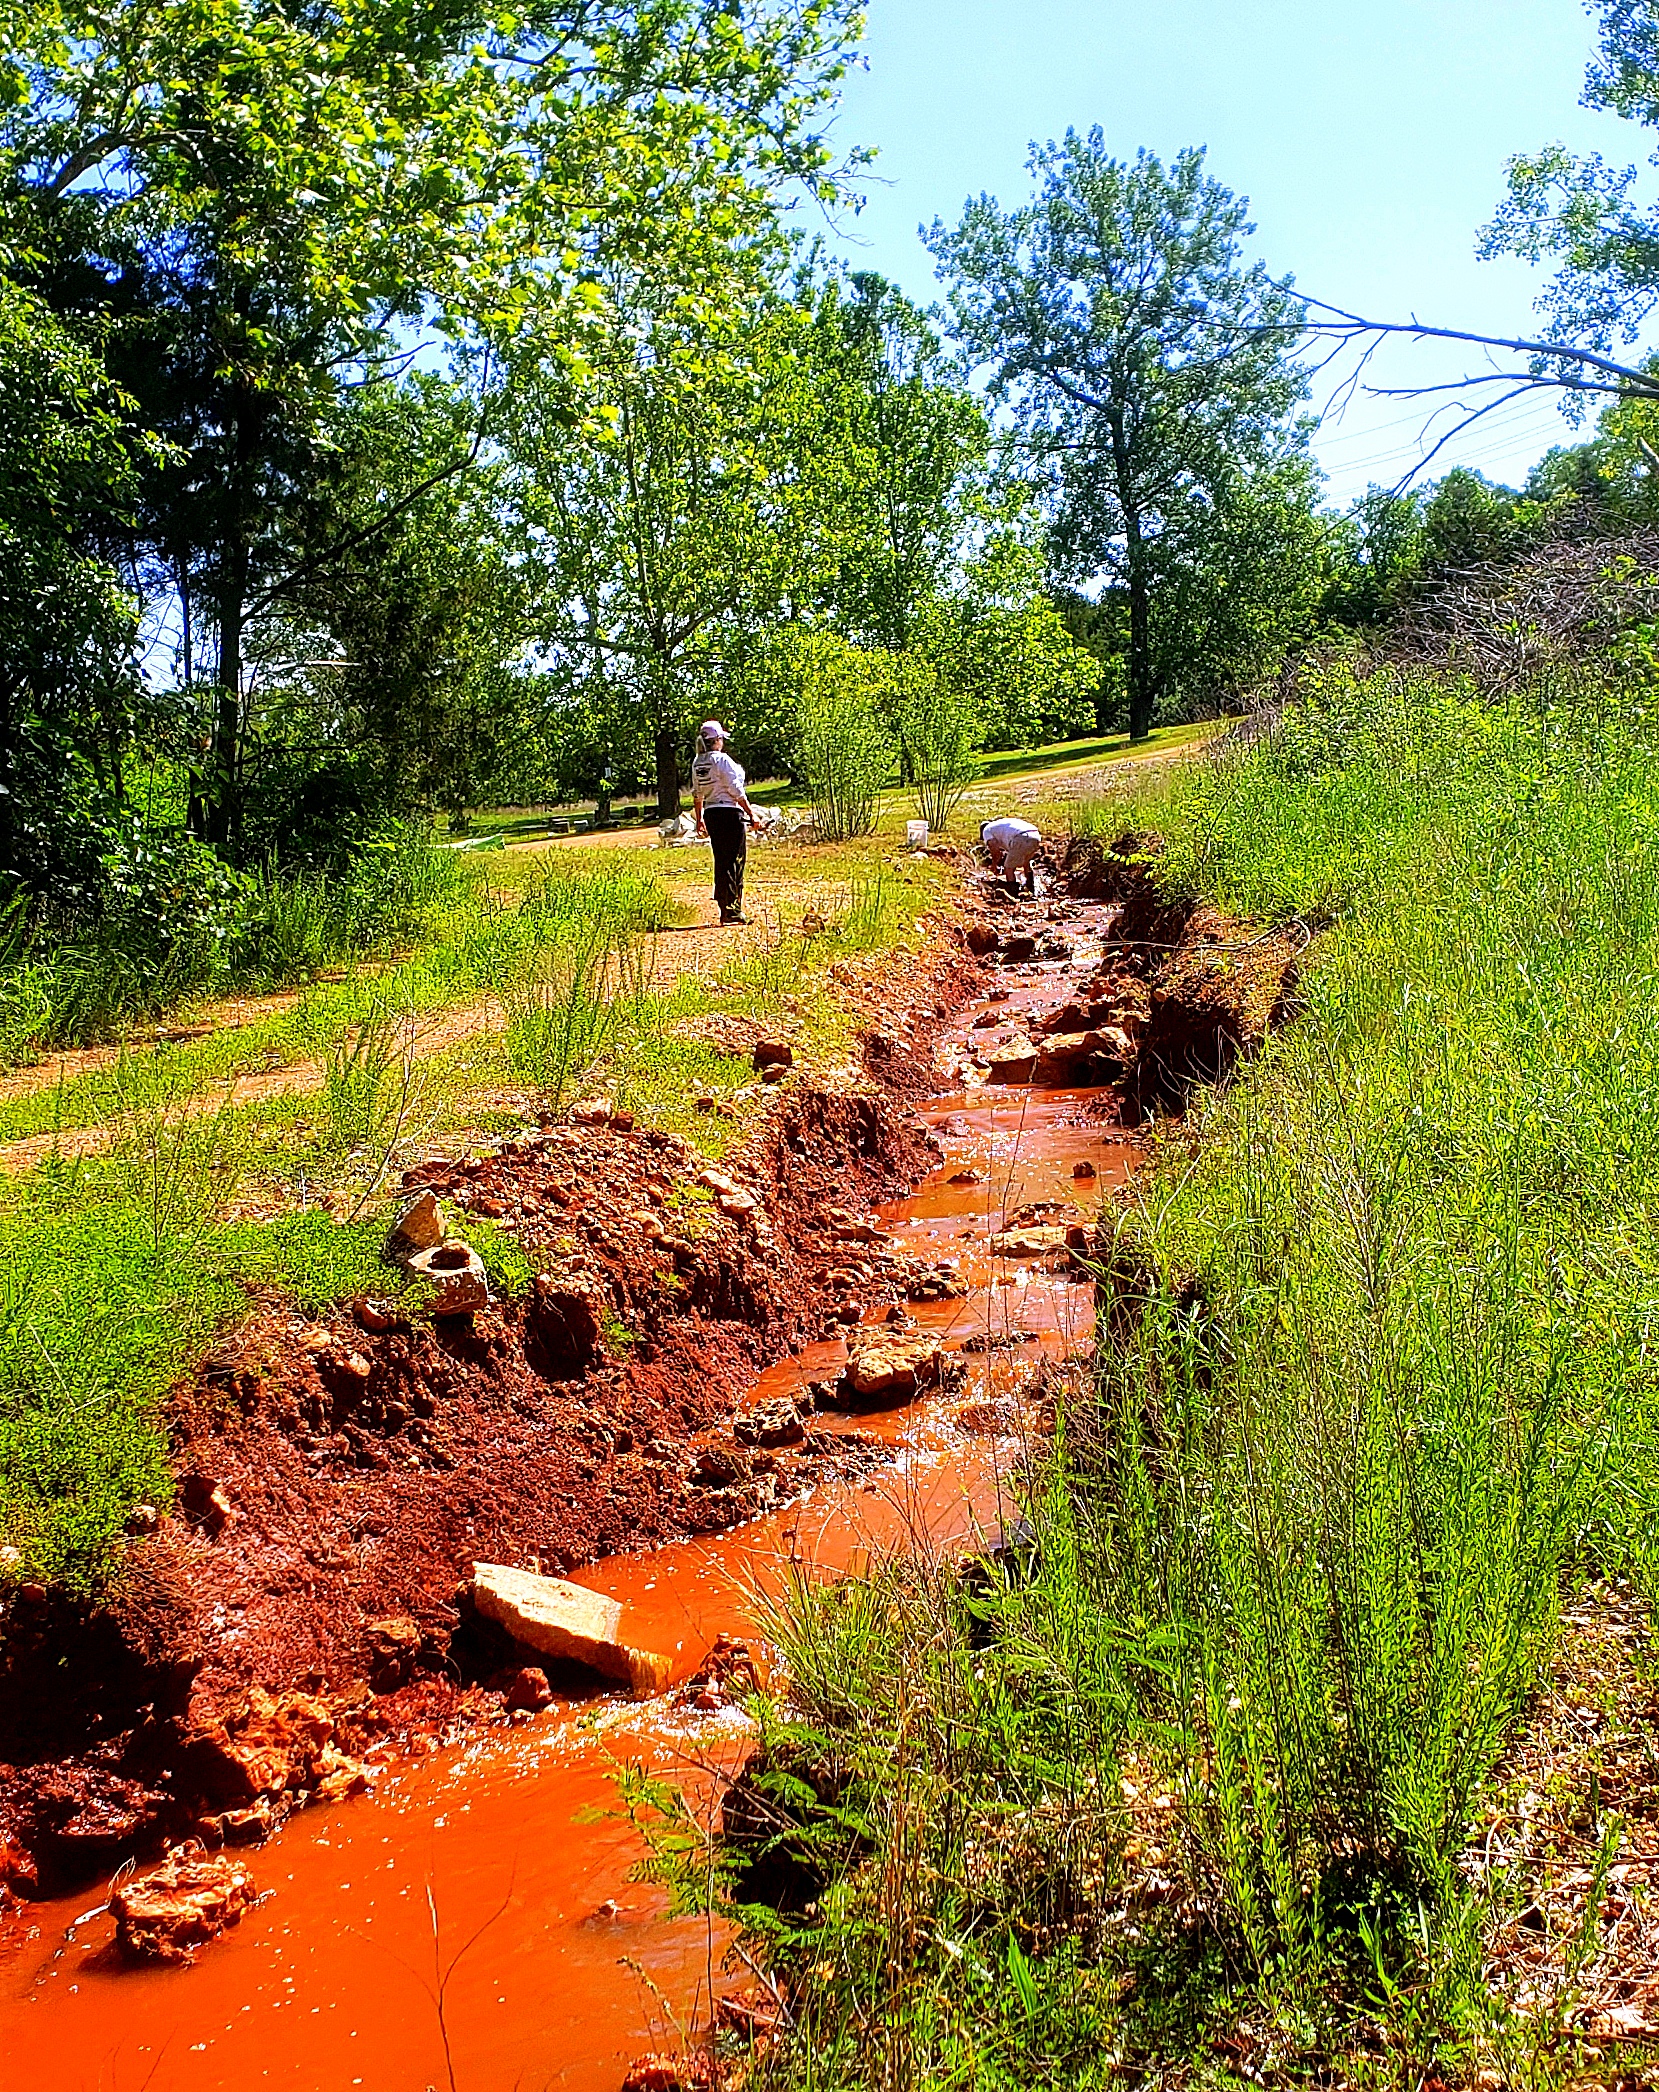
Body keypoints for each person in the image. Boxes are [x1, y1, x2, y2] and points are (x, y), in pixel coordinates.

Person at [691, 720, 762, 924]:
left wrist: (699, 819)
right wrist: (751, 814)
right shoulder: (722, 760)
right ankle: (733, 909)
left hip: (711, 813)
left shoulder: (698, 763)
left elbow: (697, 794)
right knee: (735, 860)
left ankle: (724, 906)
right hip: (730, 813)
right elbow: (736, 790)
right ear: (717, 740)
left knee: (721, 860)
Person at [980, 814, 1043, 896]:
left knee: (1008, 868)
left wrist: (994, 866)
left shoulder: (986, 831)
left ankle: (1013, 893)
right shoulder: (998, 826)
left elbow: (995, 851)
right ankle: (1031, 886)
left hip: (1021, 837)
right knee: (1026, 863)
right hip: (1035, 835)